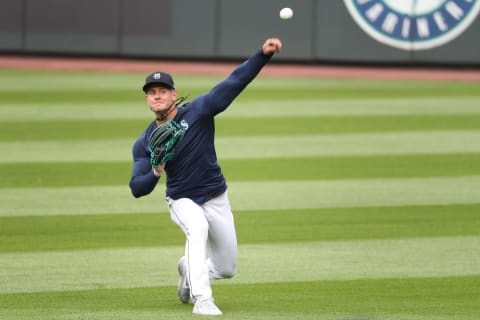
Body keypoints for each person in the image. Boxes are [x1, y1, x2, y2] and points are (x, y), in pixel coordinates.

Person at [129, 38, 282, 316]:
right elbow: (136, 188)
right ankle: (203, 300)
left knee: (227, 268)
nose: (158, 96)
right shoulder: (145, 142)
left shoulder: (199, 111)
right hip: (181, 199)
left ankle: (189, 268)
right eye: (152, 92)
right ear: (147, 99)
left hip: (216, 195)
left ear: (174, 94)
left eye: (163, 91)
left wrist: (262, 55)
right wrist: (156, 170)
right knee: (196, 228)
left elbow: (234, 82)